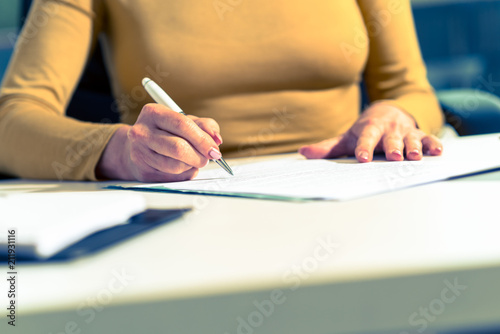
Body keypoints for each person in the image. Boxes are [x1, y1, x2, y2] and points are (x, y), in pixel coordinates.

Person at [0, 0, 444, 182]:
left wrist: (397, 115)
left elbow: (411, 91)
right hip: (188, 206)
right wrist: (120, 153)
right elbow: (11, 119)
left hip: (356, 191)